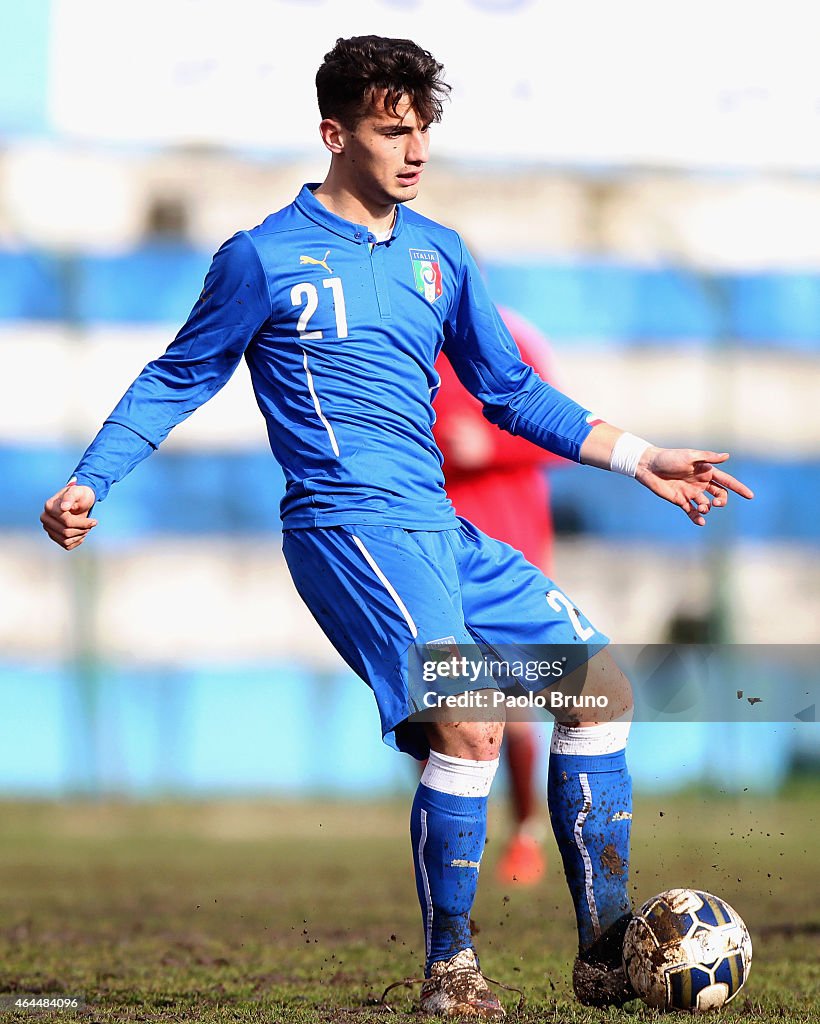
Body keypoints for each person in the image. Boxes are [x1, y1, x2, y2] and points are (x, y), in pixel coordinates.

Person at [40, 35, 753, 1019]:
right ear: (335, 133)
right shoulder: (261, 258)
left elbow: (507, 391)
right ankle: (451, 969)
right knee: (468, 717)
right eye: (390, 128)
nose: (413, 148)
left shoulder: (438, 254)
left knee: (599, 688)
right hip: (346, 528)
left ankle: (603, 950)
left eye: (422, 128)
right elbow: (178, 374)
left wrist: (641, 458)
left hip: (438, 528)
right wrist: (91, 479)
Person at [433, 312, 562, 886]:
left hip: (512, 545)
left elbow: (559, 437)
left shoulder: (514, 343)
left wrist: (490, 446)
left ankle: (526, 831)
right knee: (443, 703)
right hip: (434, 546)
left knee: (513, 705)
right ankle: (457, 841)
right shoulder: (405, 344)